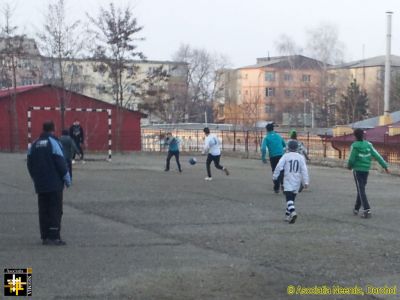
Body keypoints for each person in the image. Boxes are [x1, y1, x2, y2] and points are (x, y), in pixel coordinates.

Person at [27, 121, 71, 246]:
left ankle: (45, 236)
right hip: (54, 184)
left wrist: (35, 178)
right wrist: (67, 180)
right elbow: (60, 163)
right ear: (53, 129)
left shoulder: (34, 144)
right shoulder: (54, 143)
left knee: (43, 209)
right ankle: (54, 236)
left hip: (40, 184)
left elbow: (29, 164)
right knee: (55, 209)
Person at [347, 128, 390, 218]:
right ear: (363, 135)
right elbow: (377, 156)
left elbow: (351, 159)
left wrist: (349, 166)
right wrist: (385, 166)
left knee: (361, 189)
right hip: (366, 170)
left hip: (357, 170)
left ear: (355, 136)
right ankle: (356, 208)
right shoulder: (369, 145)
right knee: (361, 189)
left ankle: (367, 210)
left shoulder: (354, 146)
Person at [273, 140, 309, 224]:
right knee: (292, 199)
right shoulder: (300, 157)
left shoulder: (286, 156)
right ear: (297, 148)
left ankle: (293, 212)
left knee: (288, 198)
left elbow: (279, 166)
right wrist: (306, 181)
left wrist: (275, 176)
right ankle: (287, 215)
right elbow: (304, 170)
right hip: (297, 180)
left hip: (288, 179)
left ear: (288, 148)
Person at [261, 123, 286, 193]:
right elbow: (284, 145)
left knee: (275, 171)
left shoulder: (266, 138)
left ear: (267, 130)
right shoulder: (278, 136)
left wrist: (263, 158)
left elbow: (263, 148)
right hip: (281, 155)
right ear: (273, 129)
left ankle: (276, 187)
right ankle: (283, 184)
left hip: (273, 156)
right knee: (281, 170)